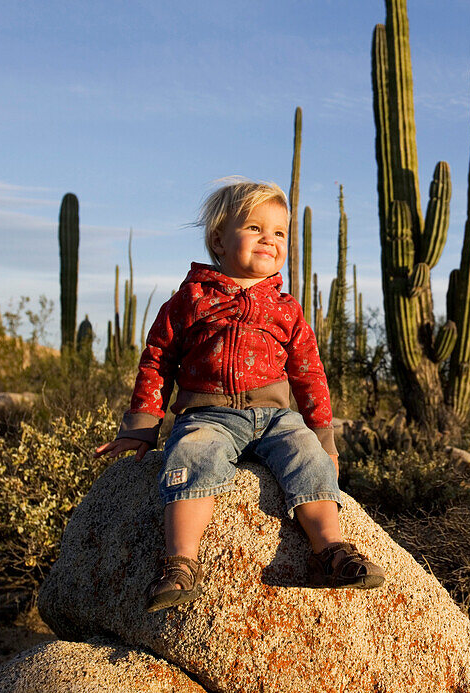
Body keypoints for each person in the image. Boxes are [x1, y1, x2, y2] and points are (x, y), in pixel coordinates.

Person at [95, 178, 384, 613]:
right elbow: (157, 359)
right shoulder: (191, 298)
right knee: (193, 455)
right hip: (208, 414)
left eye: (280, 232)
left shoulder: (286, 308)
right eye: (254, 228)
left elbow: (308, 371)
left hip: (275, 418)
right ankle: (180, 563)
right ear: (218, 239)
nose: (270, 239)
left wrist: (324, 436)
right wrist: (143, 426)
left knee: (308, 457)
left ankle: (330, 550)